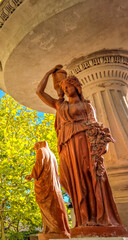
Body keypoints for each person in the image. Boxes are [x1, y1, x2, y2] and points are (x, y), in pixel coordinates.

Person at [36, 65, 122, 228]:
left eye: (68, 86)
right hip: (67, 146)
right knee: (71, 179)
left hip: (84, 145)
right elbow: (39, 92)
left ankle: (93, 218)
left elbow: (95, 126)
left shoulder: (87, 106)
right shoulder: (60, 106)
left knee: (88, 179)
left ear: (76, 86)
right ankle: (83, 218)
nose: (67, 90)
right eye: (64, 88)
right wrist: (48, 72)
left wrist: (101, 145)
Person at [26, 141, 70, 239]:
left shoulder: (41, 151)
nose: (35, 150)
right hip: (53, 186)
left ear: (38, 146)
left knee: (47, 205)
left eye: (35, 148)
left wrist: (32, 175)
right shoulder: (52, 154)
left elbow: (39, 164)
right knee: (54, 204)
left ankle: (53, 229)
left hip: (45, 185)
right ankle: (56, 228)